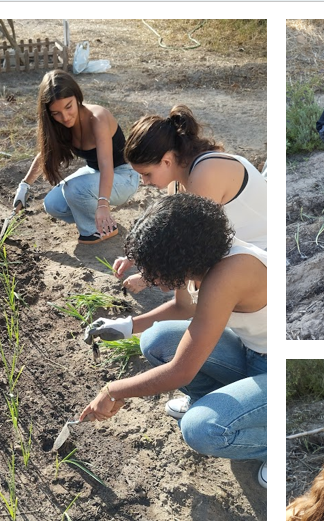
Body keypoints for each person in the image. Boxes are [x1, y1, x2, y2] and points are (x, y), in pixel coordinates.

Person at [78, 194, 266, 487]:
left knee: (201, 429)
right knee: (157, 339)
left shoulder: (228, 274)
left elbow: (181, 371)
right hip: (250, 350)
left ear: (178, 257)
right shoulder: (203, 261)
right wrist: (127, 325)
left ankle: (270, 444)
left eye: (154, 270)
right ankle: (214, 402)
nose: (150, 279)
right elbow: (183, 308)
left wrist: (114, 390)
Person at [110, 105, 267, 292]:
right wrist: (135, 256)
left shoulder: (206, 173)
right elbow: (170, 232)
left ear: (167, 161)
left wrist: (148, 277)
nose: (144, 182)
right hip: (240, 254)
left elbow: (192, 247)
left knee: (193, 286)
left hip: (263, 256)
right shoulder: (177, 182)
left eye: (147, 174)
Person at [13, 69, 140, 244]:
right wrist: (24, 186)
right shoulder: (59, 126)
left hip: (123, 176)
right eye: (56, 113)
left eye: (68, 107)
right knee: (52, 204)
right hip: (93, 174)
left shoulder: (97, 118)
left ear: (77, 96)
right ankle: (99, 220)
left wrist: (103, 205)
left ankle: (100, 229)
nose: (64, 117)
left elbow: (106, 166)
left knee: (74, 188)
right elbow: (46, 154)